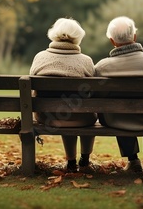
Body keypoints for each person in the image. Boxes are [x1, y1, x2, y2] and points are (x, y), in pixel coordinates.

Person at [94, 16, 143, 173]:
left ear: (112, 41)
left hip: (117, 120)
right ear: (134, 37)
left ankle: (133, 160)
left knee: (118, 111)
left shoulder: (102, 66)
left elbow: (97, 97)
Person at [30, 18, 96, 173]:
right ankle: (85, 160)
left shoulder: (40, 57)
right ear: (78, 37)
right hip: (82, 118)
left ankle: (71, 162)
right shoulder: (86, 61)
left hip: (48, 118)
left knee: (66, 110)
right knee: (82, 110)